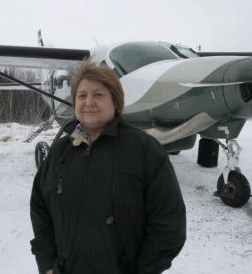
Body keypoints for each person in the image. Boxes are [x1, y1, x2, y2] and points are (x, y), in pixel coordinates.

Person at [30, 58, 186, 274]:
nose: (89, 102)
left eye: (98, 94)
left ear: (116, 101)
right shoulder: (59, 152)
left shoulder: (145, 150)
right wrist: (47, 264)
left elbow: (169, 223)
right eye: (82, 95)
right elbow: (40, 209)